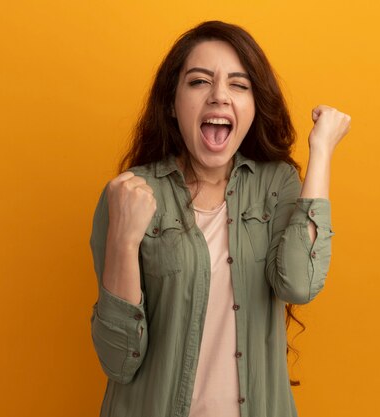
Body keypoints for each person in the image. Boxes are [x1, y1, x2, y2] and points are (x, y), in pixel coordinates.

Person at [89, 20, 351, 417]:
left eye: (239, 85)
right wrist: (124, 241)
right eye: (198, 82)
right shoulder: (128, 194)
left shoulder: (276, 183)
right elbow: (118, 360)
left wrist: (322, 151)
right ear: (172, 105)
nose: (219, 97)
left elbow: (299, 284)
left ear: (253, 105)